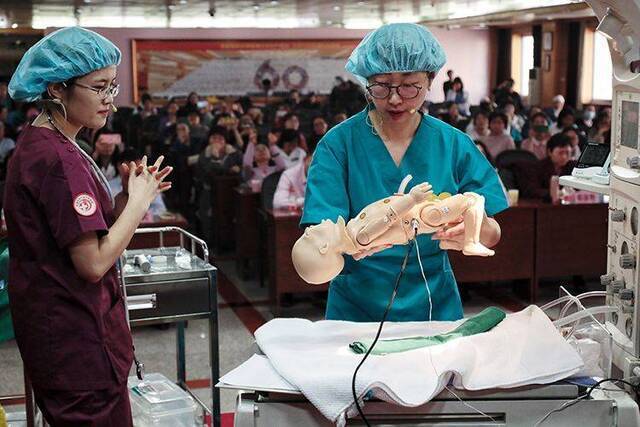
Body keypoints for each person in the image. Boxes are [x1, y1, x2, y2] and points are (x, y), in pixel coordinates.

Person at [4, 27, 172, 426]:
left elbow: (75, 230)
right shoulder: (57, 160)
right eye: (98, 88)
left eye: (112, 86)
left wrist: (123, 203)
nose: (109, 99)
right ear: (58, 89)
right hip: (75, 343)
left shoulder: (51, 144)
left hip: (66, 338)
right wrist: (142, 205)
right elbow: (92, 262)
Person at [302, 23, 507, 322]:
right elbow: (319, 236)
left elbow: (492, 229)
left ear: (430, 79)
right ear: (366, 83)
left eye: (410, 86)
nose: (395, 99)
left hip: (434, 302)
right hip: (357, 305)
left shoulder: (453, 144)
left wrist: (480, 232)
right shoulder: (338, 145)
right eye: (382, 86)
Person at [517, 133, 575, 202]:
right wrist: (554, 193)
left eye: (567, 153)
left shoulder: (574, 167)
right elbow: (531, 190)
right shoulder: (537, 167)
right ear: (549, 152)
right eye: (560, 153)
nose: (564, 157)